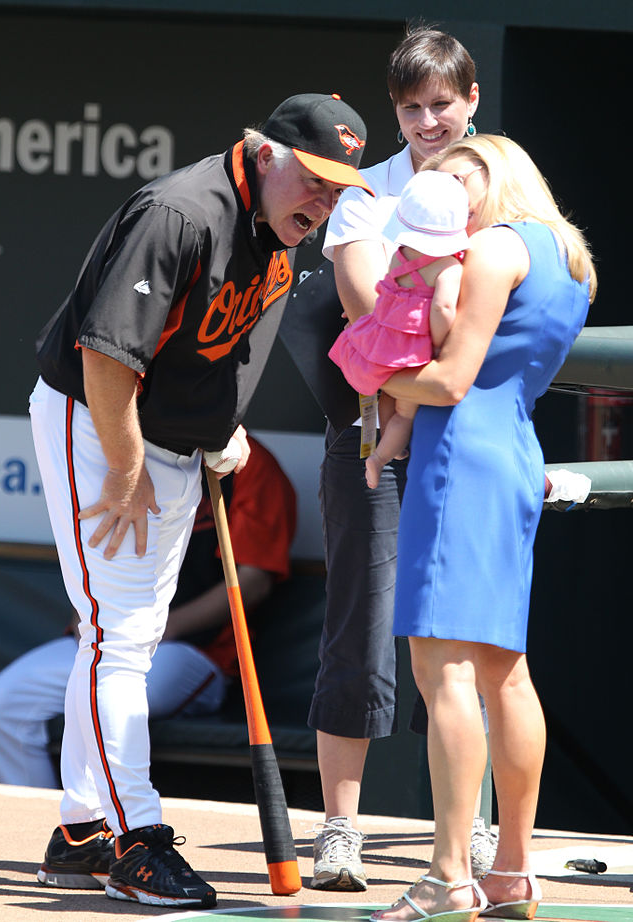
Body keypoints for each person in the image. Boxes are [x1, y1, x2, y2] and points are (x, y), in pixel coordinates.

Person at [28, 92, 371, 909]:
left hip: (175, 438)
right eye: (313, 180)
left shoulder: (281, 243)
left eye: (338, 189)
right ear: (264, 152)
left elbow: (229, 357)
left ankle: (81, 833)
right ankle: (135, 839)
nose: (321, 203)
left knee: (124, 640)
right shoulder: (180, 211)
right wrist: (122, 468)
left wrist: (221, 435)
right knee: (120, 639)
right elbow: (107, 356)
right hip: (100, 420)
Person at [370, 134, 596, 922]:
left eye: (456, 173)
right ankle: (510, 873)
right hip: (513, 455)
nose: (444, 188)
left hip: (460, 457)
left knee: (446, 676)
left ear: (493, 171)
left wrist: (367, 369)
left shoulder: (498, 246)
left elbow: (449, 379)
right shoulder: (567, 256)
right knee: (505, 672)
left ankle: (445, 877)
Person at [308, 26, 489, 891]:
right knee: (360, 626)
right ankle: (340, 831)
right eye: (412, 108)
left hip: (467, 448)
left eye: (442, 106)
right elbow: (363, 307)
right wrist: (445, 343)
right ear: (394, 110)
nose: (427, 123)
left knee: (465, 643)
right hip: (367, 445)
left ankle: (471, 831)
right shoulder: (366, 195)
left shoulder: (502, 195)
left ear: (471, 102)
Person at [0, 436, 296, 792]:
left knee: (114, 699)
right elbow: (97, 548)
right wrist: (86, 610)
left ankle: (112, 823)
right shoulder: (124, 453)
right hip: (108, 633)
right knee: (3, 702)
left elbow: (253, 581)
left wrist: (161, 628)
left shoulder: (247, 463)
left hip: (193, 651)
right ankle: (51, 823)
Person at [328, 170, 469, 489]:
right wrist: (438, 344)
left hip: (382, 339)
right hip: (410, 347)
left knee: (388, 397)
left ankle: (383, 447)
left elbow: (386, 292)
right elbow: (443, 309)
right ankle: (382, 457)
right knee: (405, 415)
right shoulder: (449, 267)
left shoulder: (400, 256)